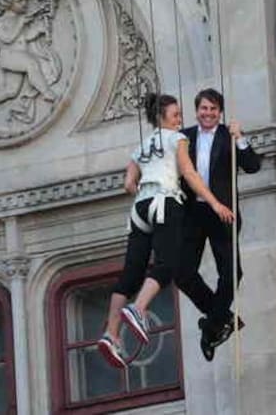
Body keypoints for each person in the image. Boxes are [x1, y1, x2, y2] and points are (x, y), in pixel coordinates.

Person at [97, 93, 235, 368]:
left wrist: (146, 190)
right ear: (163, 117)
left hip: (140, 208)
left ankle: (111, 334)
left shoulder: (141, 145)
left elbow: (128, 184)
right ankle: (138, 309)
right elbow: (190, 174)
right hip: (165, 202)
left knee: (131, 272)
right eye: (176, 116)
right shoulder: (177, 138)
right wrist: (215, 203)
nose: (180, 120)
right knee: (167, 263)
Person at [175, 88, 262, 361]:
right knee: (183, 272)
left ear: (219, 112)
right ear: (197, 111)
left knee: (232, 273)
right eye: (204, 108)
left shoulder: (227, 135)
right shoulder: (184, 138)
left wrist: (241, 139)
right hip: (194, 213)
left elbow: (253, 166)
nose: (208, 113)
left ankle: (212, 326)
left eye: (213, 109)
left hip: (222, 213)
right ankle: (222, 318)